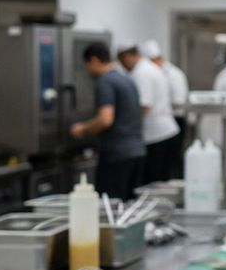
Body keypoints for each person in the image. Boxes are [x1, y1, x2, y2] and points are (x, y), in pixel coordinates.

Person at [70, 42, 145, 200]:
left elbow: (105, 119)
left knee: (110, 206)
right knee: (128, 207)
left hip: (117, 154)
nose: (88, 70)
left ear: (94, 60)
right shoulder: (126, 79)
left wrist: (82, 129)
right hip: (136, 151)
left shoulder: (105, 82)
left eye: (87, 65)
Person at [117, 44, 180, 186]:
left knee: (153, 183)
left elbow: (144, 105)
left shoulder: (141, 73)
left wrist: (126, 125)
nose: (123, 66)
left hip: (156, 135)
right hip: (166, 131)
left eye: (122, 62)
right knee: (162, 182)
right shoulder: (150, 68)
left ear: (127, 57)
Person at [142, 39, 188, 180]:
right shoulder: (156, 72)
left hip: (176, 119)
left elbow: (179, 101)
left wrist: (162, 107)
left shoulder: (174, 74)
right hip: (168, 121)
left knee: (168, 167)